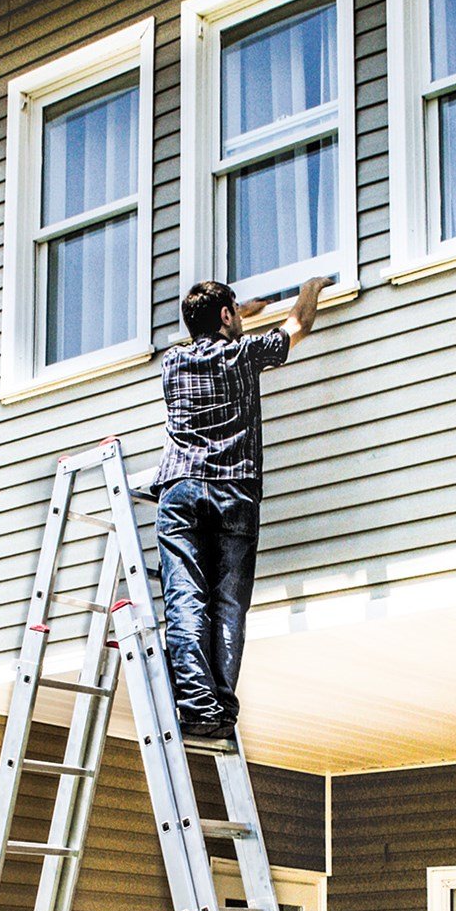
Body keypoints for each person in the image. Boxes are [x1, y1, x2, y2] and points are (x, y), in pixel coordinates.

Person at [154, 276, 330, 741]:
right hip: (234, 490)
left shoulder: (172, 363)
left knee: (185, 599)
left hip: (182, 490)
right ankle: (222, 705)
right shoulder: (243, 355)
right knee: (229, 604)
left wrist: (238, 311)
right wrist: (311, 285)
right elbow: (298, 323)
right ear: (227, 316)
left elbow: (208, 331)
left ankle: (197, 706)